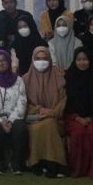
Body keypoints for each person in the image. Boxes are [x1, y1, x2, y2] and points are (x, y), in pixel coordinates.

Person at [24, 45, 67, 178]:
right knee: (42, 125)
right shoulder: (25, 79)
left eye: (44, 58)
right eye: (37, 58)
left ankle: (48, 163)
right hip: (34, 118)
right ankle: (48, 163)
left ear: (50, 59)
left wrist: (53, 112)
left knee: (49, 123)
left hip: (56, 117)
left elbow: (64, 100)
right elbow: (24, 103)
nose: (41, 61)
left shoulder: (59, 77)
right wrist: (39, 110)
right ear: (32, 60)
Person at [64, 49, 93, 179]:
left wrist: (91, 118)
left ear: (90, 61)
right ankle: (77, 169)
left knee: (92, 131)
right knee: (78, 132)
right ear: (74, 61)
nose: (82, 62)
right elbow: (66, 103)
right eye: (79, 59)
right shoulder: (68, 78)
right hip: (73, 117)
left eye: (85, 59)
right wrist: (77, 118)